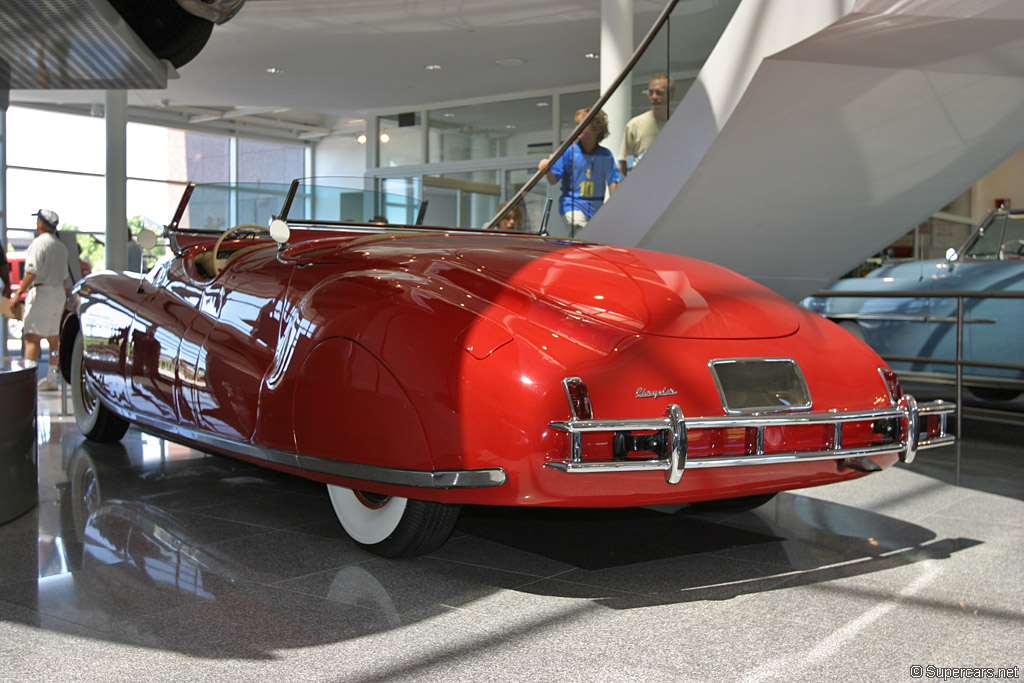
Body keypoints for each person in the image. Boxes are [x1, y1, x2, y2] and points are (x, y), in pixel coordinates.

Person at [538, 108, 622, 233]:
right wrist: (546, 168)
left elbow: (613, 181)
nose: (578, 128)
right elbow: (553, 179)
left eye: (583, 124)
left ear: (597, 129)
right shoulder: (569, 151)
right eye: (577, 124)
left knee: (592, 241)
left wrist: (615, 209)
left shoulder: (605, 155)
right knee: (581, 232)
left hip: (596, 210)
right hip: (573, 207)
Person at [12, 209, 69, 391]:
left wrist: (18, 293)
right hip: (58, 293)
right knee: (53, 338)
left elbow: (31, 272)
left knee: (31, 337)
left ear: (41, 224)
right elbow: (64, 278)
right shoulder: (61, 246)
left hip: (42, 292)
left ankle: (27, 379)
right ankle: (52, 377)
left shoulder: (38, 244)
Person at [619, 73, 675, 175]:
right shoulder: (634, 125)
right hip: (641, 186)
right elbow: (626, 160)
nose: (653, 97)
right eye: (650, 93)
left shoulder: (680, 123)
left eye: (659, 93)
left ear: (671, 95)